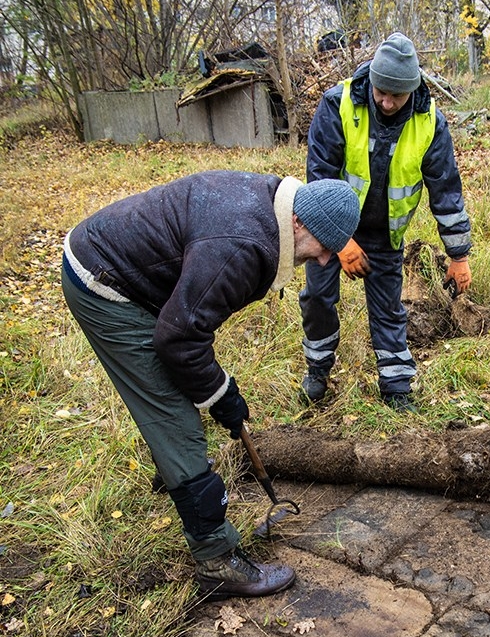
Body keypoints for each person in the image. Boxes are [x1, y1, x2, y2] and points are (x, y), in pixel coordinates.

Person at [61, 171, 360, 598]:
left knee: (181, 386)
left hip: (123, 262)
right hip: (103, 282)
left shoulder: (271, 207)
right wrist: (221, 396)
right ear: (299, 223)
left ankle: (175, 471)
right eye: (325, 248)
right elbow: (179, 338)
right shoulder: (242, 244)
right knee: (174, 417)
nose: (327, 261)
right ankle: (217, 560)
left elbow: (187, 323)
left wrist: (217, 390)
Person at [300, 32, 473, 413]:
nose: (386, 101)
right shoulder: (338, 104)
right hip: (332, 228)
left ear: (413, 90)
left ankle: (396, 387)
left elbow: (446, 190)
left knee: (389, 310)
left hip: (385, 232)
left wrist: (458, 255)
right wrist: (339, 240)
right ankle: (317, 371)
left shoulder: (430, 124)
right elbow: (319, 179)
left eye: (397, 95)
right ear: (372, 80)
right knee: (318, 298)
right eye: (381, 91)